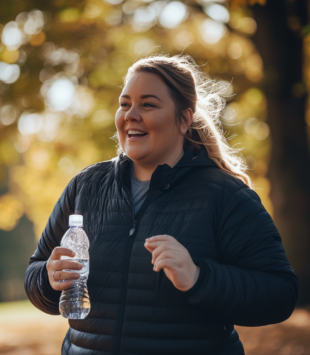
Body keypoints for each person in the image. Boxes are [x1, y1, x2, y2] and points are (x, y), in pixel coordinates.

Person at [24, 54, 299, 355]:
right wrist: (49, 279)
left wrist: (198, 277)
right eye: (125, 103)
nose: (131, 115)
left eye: (148, 104)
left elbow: (281, 294)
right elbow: (35, 272)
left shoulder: (226, 196)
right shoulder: (85, 186)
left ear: (184, 119)